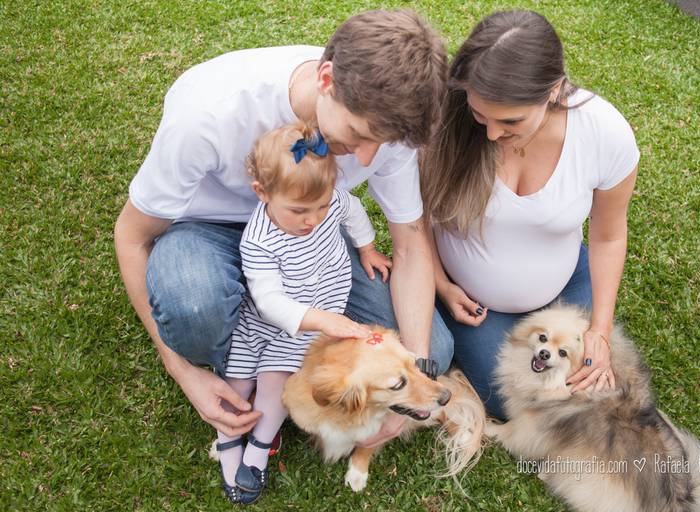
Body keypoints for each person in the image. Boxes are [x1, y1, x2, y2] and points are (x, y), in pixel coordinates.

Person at [113, 9, 449, 453]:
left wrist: (416, 371)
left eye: (381, 144)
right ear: (326, 78)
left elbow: (409, 244)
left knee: (433, 348)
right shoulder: (209, 114)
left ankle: (274, 357)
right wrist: (183, 371)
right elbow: (132, 235)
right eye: (357, 136)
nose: (366, 159)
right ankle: (260, 360)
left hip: (312, 238)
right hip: (207, 230)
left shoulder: (391, 129)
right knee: (193, 309)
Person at [420, 10, 640, 420]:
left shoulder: (603, 133)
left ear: (554, 90)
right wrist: (440, 283)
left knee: (590, 391)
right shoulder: (446, 121)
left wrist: (599, 332)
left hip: (566, 281)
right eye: (480, 115)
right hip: (472, 300)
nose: (490, 134)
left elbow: (609, 236)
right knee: (516, 402)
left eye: (511, 120)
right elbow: (416, 218)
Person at [215, 122, 389, 503]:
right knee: (238, 380)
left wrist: (367, 248)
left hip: (312, 317)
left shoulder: (333, 203)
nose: (313, 219)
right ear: (262, 193)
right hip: (272, 319)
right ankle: (227, 439)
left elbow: (354, 212)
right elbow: (270, 302)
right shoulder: (258, 240)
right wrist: (323, 321)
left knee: (276, 379)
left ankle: (258, 449)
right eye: (299, 210)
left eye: (321, 206)